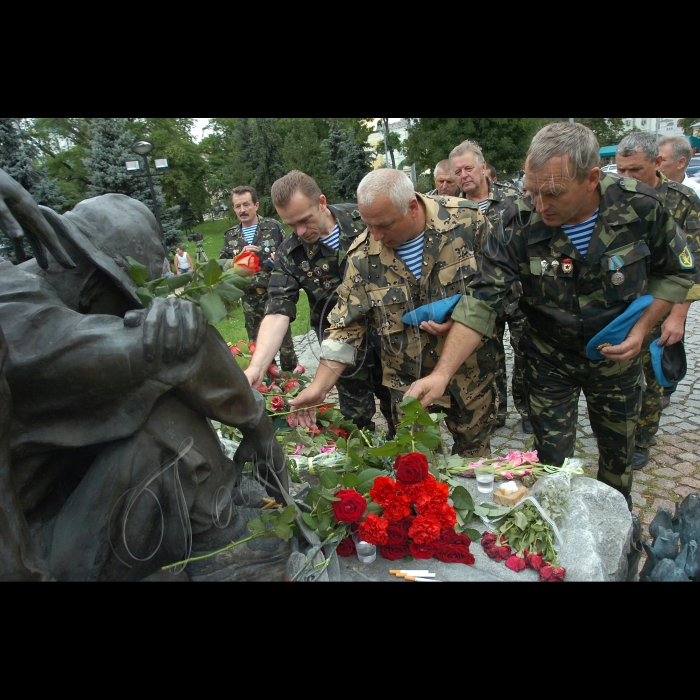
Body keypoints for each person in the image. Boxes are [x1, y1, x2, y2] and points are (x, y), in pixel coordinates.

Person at [0, 178, 287, 581]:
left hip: (56, 510)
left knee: (142, 399)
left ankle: (213, 505)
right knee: (155, 417)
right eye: (126, 298)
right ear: (94, 283)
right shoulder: (23, 321)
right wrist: (258, 426)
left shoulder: (28, 295)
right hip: (45, 555)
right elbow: (169, 351)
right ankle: (214, 538)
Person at [407, 122, 696, 509]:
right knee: (551, 467)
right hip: (547, 361)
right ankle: (556, 537)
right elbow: (482, 301)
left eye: (553, 193)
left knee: (617, 465)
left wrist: (644, 327)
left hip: (617, 363)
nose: (540, 205)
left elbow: (678, 272)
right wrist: (442, 374)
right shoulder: (516, 219)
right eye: (532, 190)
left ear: (592, 178)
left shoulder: (643, 207)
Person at [287, 168, 500, 459]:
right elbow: (344, 329)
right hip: (408, 390)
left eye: (384, 225)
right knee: (420, 478)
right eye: (368, 225)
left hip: (470, 378)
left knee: (477, 469)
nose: (376, 235)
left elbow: (497, 290)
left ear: (412, 207)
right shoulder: (362, 257)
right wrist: (320, 386)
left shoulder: (467, 222)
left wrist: (461, 314)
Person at [244, 170, 393, 434]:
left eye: (305, 220)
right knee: (355, 423)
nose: (300, 231)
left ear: (321, 202)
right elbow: (278, 310)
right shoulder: (290, 252)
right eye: (290, 225)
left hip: (391, 336)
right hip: (339, 349)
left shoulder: (364, 220)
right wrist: (257, 366)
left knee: (403, 413)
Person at [615, 132, 700, 469]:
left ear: (656, 163)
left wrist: (677, 316)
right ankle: (616, 426)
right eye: (620, 170)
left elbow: (690, 264)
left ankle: (643, 438)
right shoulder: (612, 195)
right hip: (620, 300)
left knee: (650, 375)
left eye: (634, 170)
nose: (626, 178)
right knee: (616, 369)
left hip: (658, 301)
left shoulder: (680, 200)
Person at [450, 139, 531, 432]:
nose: (463, 176)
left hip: (519, 293)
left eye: (468, 168)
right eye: (457, 171)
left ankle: (528, 411)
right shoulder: (451, 208)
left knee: (526, 354)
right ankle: (496, 411)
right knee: (489, 359)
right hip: (482, 296)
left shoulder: (513, 196)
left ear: (483, 167)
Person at [219, 185, 299, 372]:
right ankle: (269, 386)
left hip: (275, 294)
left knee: (284, 344)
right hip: (249, 299)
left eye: (246, 205)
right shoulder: (231, 236)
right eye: (237, 206)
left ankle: (293, 382)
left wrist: (278, 261)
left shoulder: (273, 227)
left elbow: (291, 253)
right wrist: (237, 258)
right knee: (257, 346)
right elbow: (222, 265)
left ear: (256, 205)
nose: (242, 210)